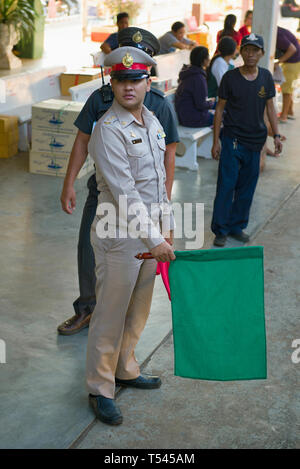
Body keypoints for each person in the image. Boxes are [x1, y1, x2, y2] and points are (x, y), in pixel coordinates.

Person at [57, 28, 179, 335]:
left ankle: (123, 337)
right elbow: (82, 141)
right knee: (90, 252)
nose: (129, 82)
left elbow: (169, 157)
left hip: (145, 203)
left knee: (138, 270)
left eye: (137, 72)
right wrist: (68, 183)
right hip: (104, 198)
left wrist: (164, 210)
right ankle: (87, 308)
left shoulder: (159, 106)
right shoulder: (100, 99)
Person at [86, 45, 176, 425]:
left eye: (135, 80)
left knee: (137, 310)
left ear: (147, 83)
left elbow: (158, 184)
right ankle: (100, 388)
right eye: (121, 80)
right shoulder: (107, 131)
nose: (128, 87)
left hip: (148, 234)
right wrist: (155, 238)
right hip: (119, 235)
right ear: (112, 82)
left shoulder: (152, 121)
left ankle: (126, 368)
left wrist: (166, 226)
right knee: (109, 313)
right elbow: (125, 193)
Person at [211, 33, 283, 248]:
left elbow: (270, 107)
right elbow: (219, 109)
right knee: (226, 186)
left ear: (261, 53)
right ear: (240, 52)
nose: (250, 54)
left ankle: (236, 226)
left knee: (247, 188)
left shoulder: (265, 77)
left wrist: (276, 135)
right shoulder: (230, 78)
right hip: (232, 140)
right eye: (247, 49)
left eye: (255, 50)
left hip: (255, 142)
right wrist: (216, 141)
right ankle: (221, 230)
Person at [175, 46, 215, 127]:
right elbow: (201, 104)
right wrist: (211, 102)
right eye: (208, 57)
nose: (209, 59)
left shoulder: (188, 72)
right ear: (203, 60)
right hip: (193, 118)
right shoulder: (198, 78)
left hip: (185, 116)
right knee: (225, 117)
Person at [276, 26, 300, 122]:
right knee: (289, 87)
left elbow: (292, 49)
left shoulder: (278, 35)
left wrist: (278, 62)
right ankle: (289, 111)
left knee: (286, 89)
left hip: (293, 62)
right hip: (294, 61)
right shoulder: (278, 31)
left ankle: (284, 116)